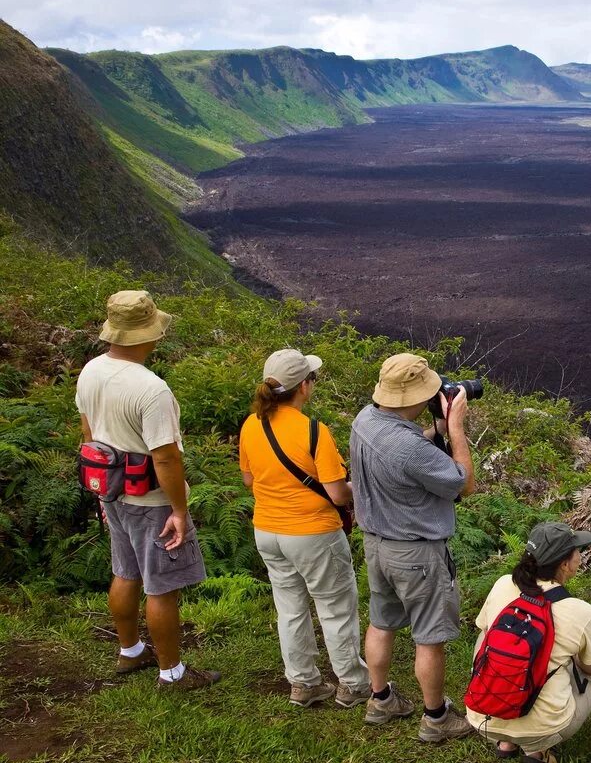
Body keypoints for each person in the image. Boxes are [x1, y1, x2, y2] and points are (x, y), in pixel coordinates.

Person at [75, 290, 219, 690]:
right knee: (161, 585)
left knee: (125, 571)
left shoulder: (91, 371)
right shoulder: (151, 389)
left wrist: (103, 490)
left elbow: (89, 434)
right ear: (146, 336)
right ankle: (172, 673)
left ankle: (130, 650)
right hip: (151, 499)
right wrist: (179, 509)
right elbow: (167, 458)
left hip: (113, 491)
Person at [350, 353, 477, 741]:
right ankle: (436, 719)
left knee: (381, 622)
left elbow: (407, 450)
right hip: (417, 554)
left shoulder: (365, 420)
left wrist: (434, 428)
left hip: (377, 545)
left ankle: (380, 698)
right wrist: (454, 428)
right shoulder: (410, 449)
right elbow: (464, 483)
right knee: (429, 637)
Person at [238, 349, 371, 709]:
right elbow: (337, 493)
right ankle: (353, 684)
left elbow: (249, 479)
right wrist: (358, 487)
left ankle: (303, 683)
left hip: (267, 530)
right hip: (313, 533)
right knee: (335, 608)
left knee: (290, 608)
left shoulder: (251, 424)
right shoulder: (314, 431)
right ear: (304, 387)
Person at [467, 521, 591, 763]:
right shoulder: (581, 611)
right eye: (577, 550)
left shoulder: (502, 584)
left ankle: (505, 741)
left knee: (486, 635)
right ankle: (537, 749)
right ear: (565, 564)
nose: (580, 555)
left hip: (482, 718)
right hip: (544, 727)